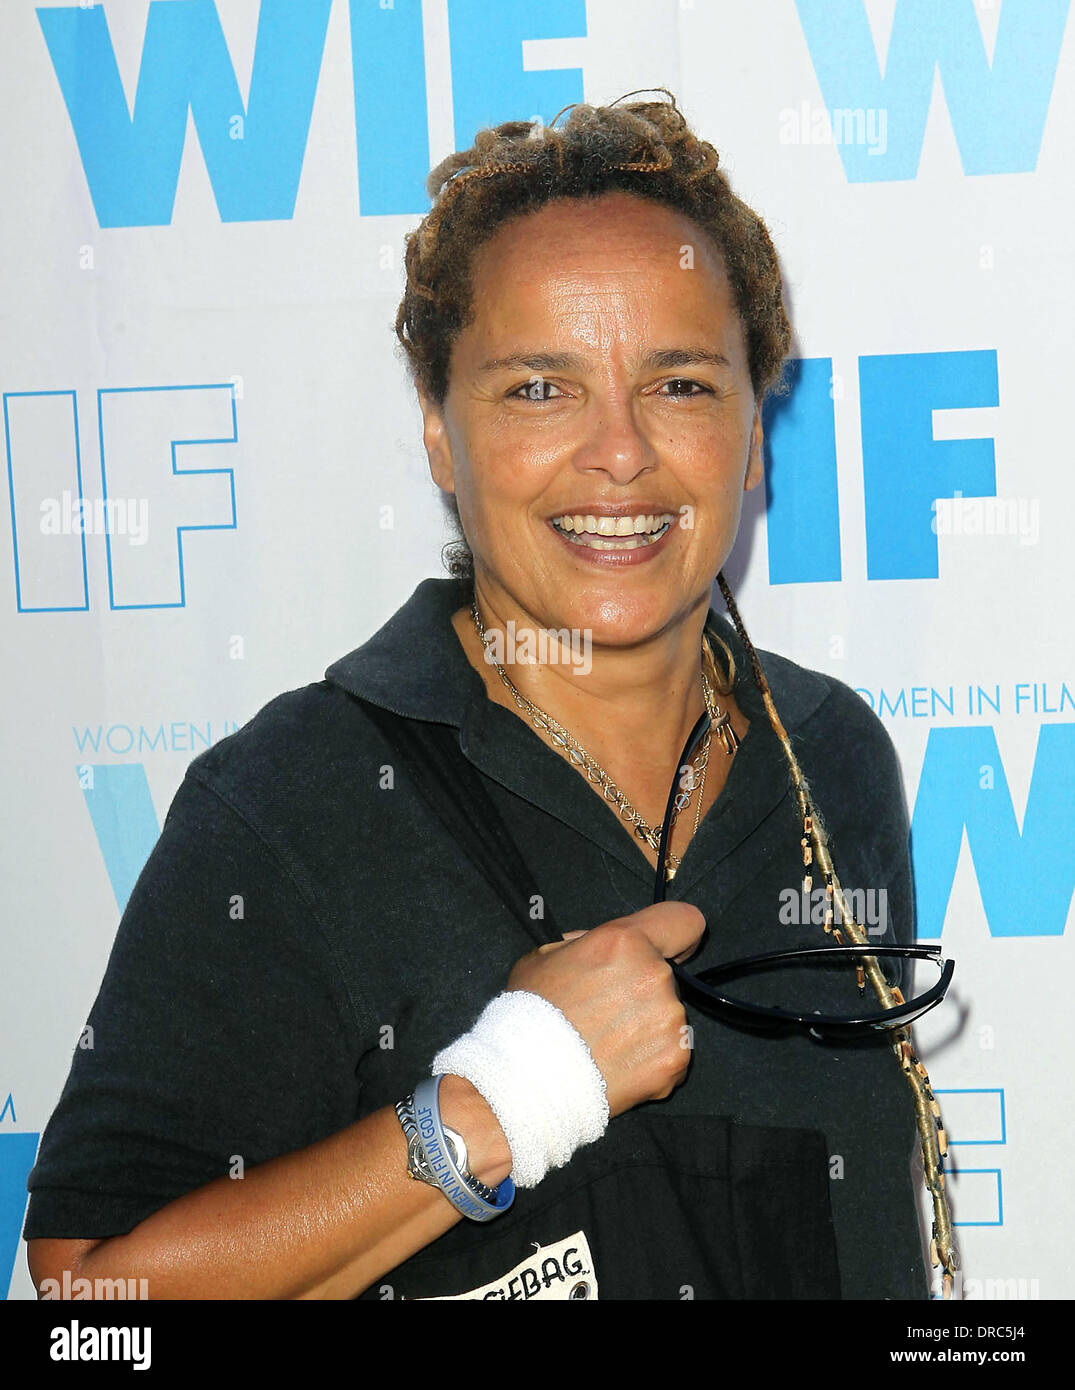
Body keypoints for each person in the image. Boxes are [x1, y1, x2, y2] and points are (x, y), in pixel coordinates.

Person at [24, 93, 940, 1300]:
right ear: (440, 438)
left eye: (679, 384)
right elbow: (91, 1303)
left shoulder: (830, 754)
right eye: (537, 390)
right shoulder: (294, 801)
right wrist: (495, 1103)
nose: (619, 453)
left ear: (755, 429)